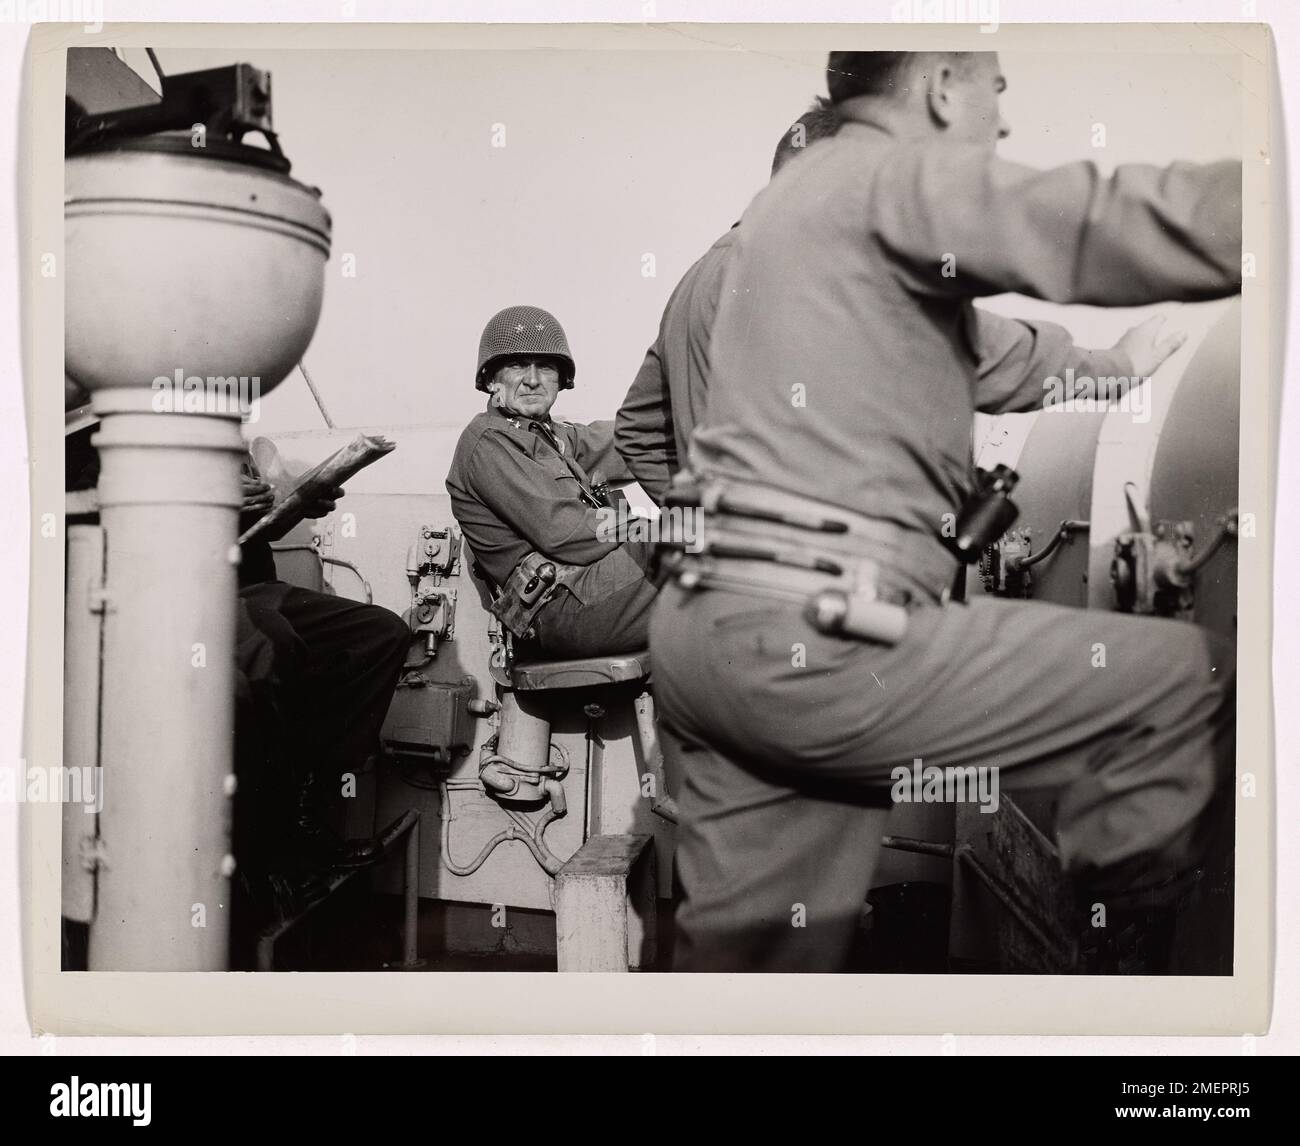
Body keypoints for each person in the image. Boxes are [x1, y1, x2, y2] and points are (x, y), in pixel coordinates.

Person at [648, 50, 1241, 973]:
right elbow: (1096, 220)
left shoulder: (783, 220)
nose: (1001, 125)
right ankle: (1126, 988)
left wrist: (1119, 366)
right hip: (823, 635)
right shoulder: (883, 172)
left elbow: (995, 358)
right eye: (996, 91)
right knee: (1188, 685)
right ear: (939, 85)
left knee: (753, 973)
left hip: (716, 631)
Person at [615, 98, 1192, 510]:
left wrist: (705, 524)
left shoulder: (696, 280)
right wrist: (1118, 367)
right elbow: (980, 355)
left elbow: (639, 427)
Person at [446, 305, 658, 660]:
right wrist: (667, 528)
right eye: (516, 365)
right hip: (562, 607)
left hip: (591, 590)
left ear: (560, 379)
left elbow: (621, 441)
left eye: (545, 367)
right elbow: (565, 532)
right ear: (492, 379)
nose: (532, 379)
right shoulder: (488, 442)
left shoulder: (546, 436)